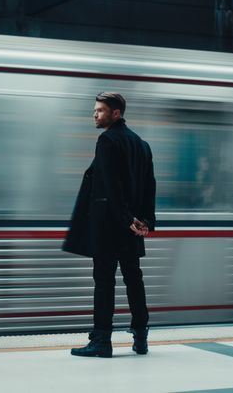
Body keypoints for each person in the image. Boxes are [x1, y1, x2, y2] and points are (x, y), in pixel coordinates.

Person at [63, 92, 156, 358]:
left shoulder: (107, 140)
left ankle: (102, 341)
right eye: (95, 110)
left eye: (101, 110)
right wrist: (146, 222)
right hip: (133, 227)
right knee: (134, 280)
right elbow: (150, 186)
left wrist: (126, 220)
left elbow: (107, 188)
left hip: (110, 226)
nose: (95, 114)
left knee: (104, 282)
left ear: (116, 114)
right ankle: (141, 337)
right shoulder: (142, 144)